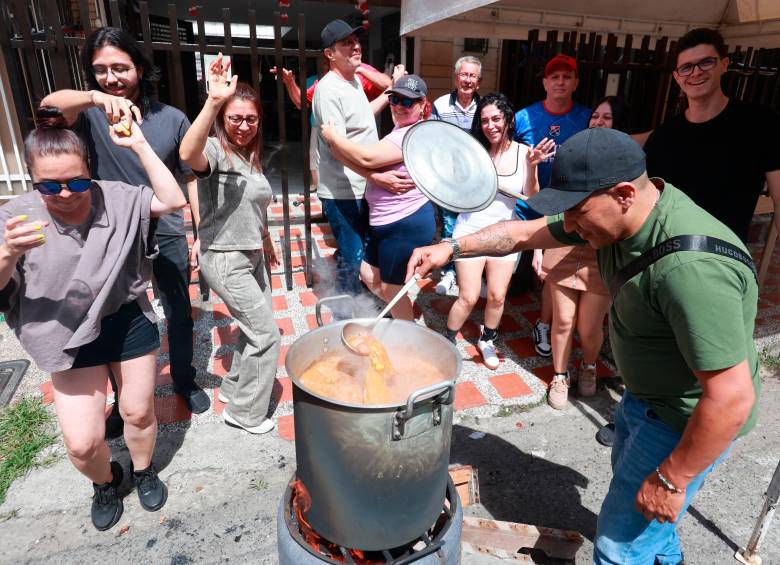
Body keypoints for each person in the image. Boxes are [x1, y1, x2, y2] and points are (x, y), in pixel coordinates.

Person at [407, 127, 760, 564]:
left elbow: (731, 398)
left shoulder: (693, 270)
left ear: (625, 193)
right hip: (644, 399)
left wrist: (672, 478)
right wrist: (452, 246)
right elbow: (521, 234)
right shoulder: (621, 213)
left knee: (617, 547)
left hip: (681, 422)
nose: (569, 227)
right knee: (644, 522)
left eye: (575, 213)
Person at [0, 108, 187, 530]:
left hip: (123, 317)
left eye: (77, 181)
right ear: (32, 179)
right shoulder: (16, 215)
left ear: (90, 169)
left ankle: (143, 471)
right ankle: (106, 481)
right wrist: (9, 254)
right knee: (83, 443)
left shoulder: (116, 197)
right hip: (62, 331)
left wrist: (138, 144)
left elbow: (174, 200)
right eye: (50, 185)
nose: (66, 194)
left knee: (138, 412)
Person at [40, 27, 209, 415]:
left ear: (139, 68)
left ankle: (184, 377)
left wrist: (199, 231)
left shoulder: (171, 118)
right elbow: (49, 108)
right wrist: (94, 99)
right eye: (101, 70)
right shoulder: (87, 116)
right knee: (114, 318)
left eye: (121, 68)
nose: (112, 78)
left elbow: (189, 178)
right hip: (109, 236)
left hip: (164, 232)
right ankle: (122, 401)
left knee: (178, 310)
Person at [179, 54, 280, 434]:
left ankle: (235, 386)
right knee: (266, 335)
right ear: (224, 119)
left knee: (254, 328)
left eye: (250, 119)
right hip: (225, 257)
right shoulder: (218, 153)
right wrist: (213, 100)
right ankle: (245, 412)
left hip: (253, 254)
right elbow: (187, 155)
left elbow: (254, 207)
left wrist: (267, 240)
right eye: (235, 117)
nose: (243, 125)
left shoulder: (249, 157)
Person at [444, 93, 552, 368]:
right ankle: (446, 340)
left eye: (495, 119)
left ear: (508, 120)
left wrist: (532, 167)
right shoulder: (475, 152)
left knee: (497, 295)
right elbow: (458, 192)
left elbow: (531, 195)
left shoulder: (524, 153)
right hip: (469, 229)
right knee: (468, 296)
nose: (490, 125)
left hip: (505, 233)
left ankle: (487, 339)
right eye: (484, 121)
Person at [643, 27, 780, 243]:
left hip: (725, 257)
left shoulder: (759, 122)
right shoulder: (664, 136)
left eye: (706, 62)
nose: (696, 72)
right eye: (686, 67)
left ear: (724, 64)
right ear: (677, 77)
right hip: (667, 253)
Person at [312, 19, 412, 303]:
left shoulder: (353, 80)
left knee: (357, 249)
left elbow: (360, 115)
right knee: (354, 255)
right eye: (346, 43)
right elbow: (338, 149)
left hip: (360, 185)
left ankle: (353, 297)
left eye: (356, 42)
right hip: (343, 191)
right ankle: (346, 313)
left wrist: (389, 94)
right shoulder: (329, 90)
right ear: (330, 54)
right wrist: (376, 177)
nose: (356, 47)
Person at [320, 75, 435, 320]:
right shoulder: (405, 127)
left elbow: (367, 158)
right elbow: (367, 164)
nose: (399, 106)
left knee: (391, 288)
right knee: (369, 275)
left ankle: (409, 339)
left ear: (423, 104)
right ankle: (400, 312)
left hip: (404, 224)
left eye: (408, 102)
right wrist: (370, 174)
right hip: (388, 222)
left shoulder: (410, 134)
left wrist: (333, 137)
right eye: (395, 99)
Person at [540, 96, 629, 409]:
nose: (598, 122)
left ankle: (589, 366)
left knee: (589, 327)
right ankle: (560, 375)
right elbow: (552, 203)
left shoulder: (628, 167)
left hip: (600, 255)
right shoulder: (574, 155)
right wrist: (539, 245)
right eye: (595, 116)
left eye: (607, 117)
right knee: (563, 321)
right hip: (564, 247)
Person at [513, 54, 591, 359]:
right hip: (528, 205)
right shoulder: (523, 117)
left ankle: (546, 323)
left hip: (565, 210)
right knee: (517, 286)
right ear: (545, 82)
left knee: (554, 274)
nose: (560, 82)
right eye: (554, 77)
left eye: (566, 77)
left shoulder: (586, 117)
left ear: (576, 83)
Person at [271, 58, 394, 191]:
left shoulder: (360, 72)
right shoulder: (324, 82)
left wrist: (359, 69)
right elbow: (302, 102)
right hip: (331, 141)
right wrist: (290, 82)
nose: (325, 65)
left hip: (359, 142)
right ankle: (318, 186)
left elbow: (389, 84)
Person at [431, 56, 483, 296]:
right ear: (456, 77)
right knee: (450, 226)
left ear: (479, 82)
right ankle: (450, 272)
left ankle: (471, 271)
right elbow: (432, 139)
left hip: (476, 181)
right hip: (448, 180)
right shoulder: (440, 105)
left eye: (473, 76)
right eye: (464, 74)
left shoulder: (485, 108)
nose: (468, 80)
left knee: (473, 226)